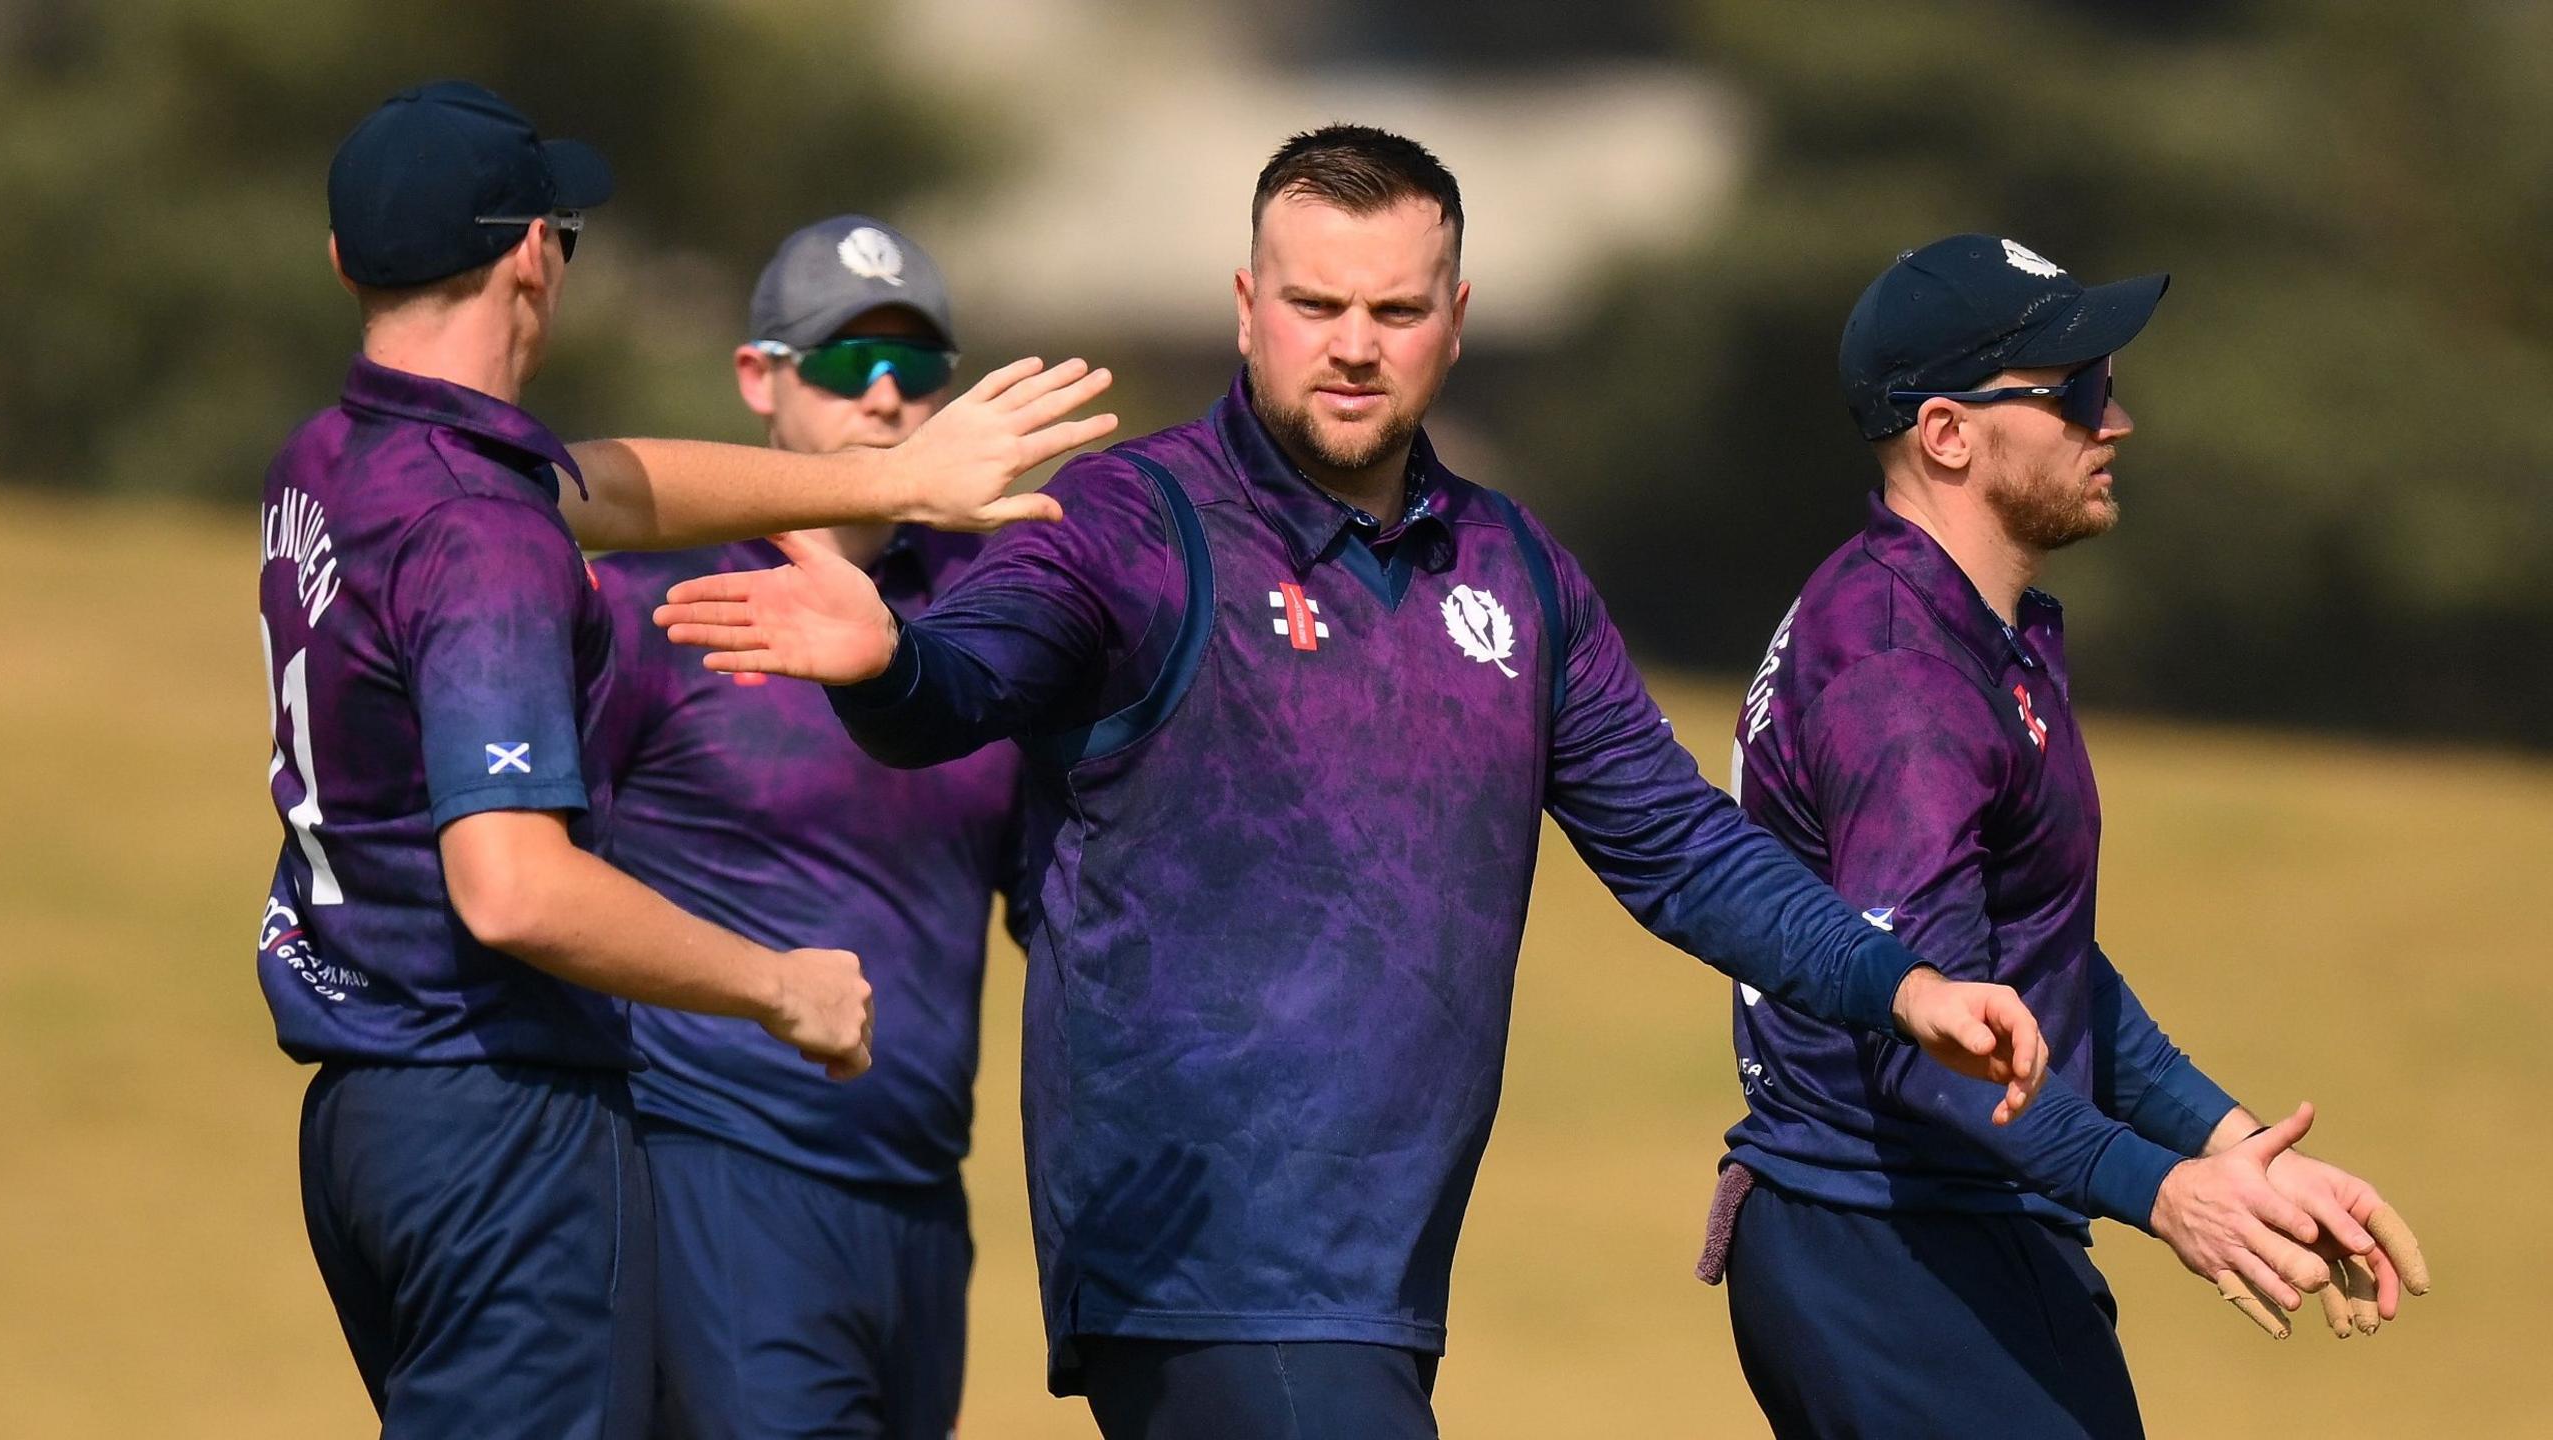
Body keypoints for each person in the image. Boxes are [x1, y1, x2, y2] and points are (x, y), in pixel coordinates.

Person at [655, 126, 2049, 1440]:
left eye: (1394, 313)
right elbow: (957, 689)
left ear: (1456, 314)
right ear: (1248, 302)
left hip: (1378, 1279)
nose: (1353, 349)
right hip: (1198, 1260)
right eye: (1317, 306)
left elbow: (1680, 847)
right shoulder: (1130, 525)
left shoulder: (1516, 568)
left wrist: (1900, 983)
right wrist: (887, 661)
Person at [259, 83, 1110, 1438]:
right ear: (534, 253)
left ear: (344, 263)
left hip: (366, 1114)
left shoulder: (336, 460)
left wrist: (895, 485)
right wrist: (777, 988)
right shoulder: (486, 534)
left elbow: (590, 480)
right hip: (500, 1125)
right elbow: (515, 888)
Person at [1705, 234, 2430, 1438]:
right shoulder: (1902, 679)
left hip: (1962, 1234)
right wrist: (2168, 1195)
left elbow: (2034, 962)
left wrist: (2232, 1146)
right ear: (1946, 434)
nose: (2118, 420)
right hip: (1889, 1257)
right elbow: (1928, 1039)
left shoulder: (1986, 632)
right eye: (2077, 392)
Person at [593, 216, 1024, 1440]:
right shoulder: (655, 603)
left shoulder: (988, 622)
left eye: (914, 366)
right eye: (843, 361)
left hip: (921, 1203)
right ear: (757, 380)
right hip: (722, 1175)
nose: (883, 396)